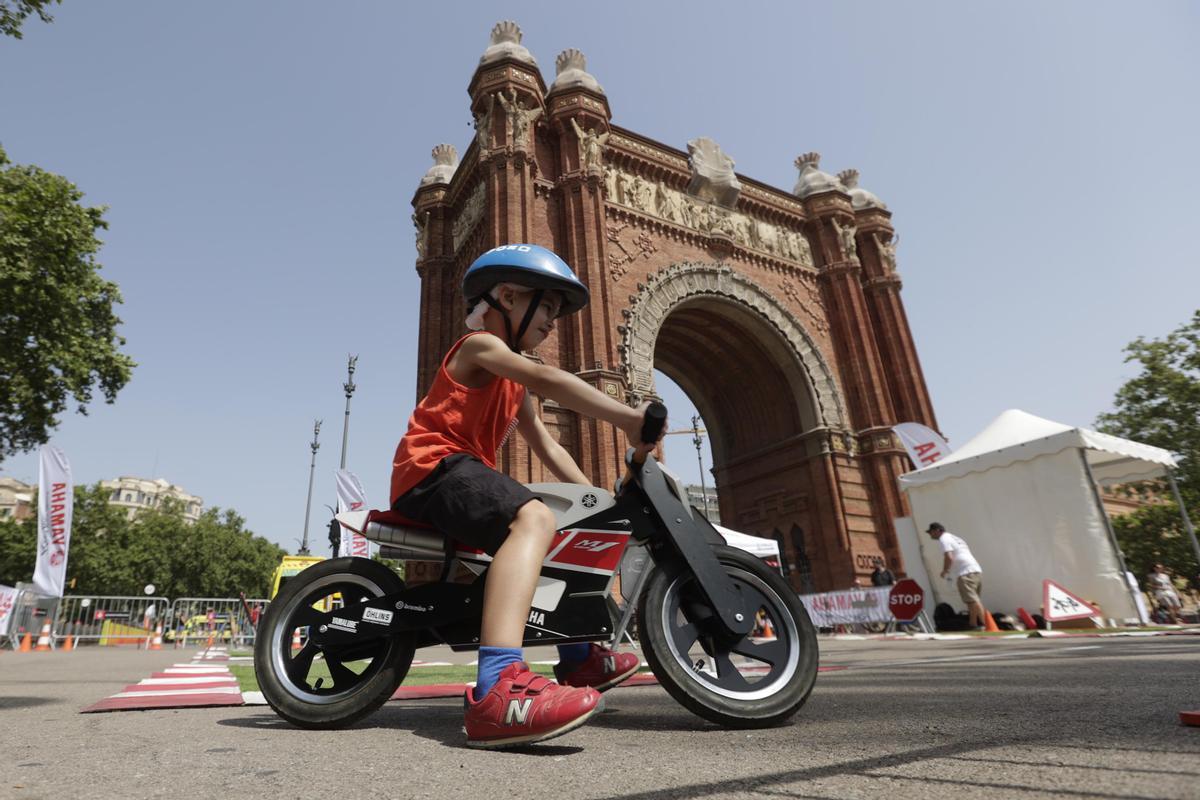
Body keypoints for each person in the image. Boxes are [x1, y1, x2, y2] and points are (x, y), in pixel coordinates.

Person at [389, 243, 661, 749]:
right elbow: (545, 375)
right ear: (508, 296)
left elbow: (547, 444)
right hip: (432, 467)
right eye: (548, 307)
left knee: (560, 531)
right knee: (533, 520)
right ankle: (498, 689)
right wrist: (627, 418)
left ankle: (578, 656)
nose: (554, 322)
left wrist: (597, 502)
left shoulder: (515, 387)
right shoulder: (479, 347)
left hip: (462, 473)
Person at [926, 522, 985, 630]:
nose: (930, 535)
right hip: (976, 570)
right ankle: (973, 625)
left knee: (973, 600)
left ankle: (983, 624)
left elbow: (949, 556)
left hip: (965, 572)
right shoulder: (955, 538)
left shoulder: (943, 539)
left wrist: (945, 571)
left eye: (931, 532)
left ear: (937, 530)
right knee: (972, 601)